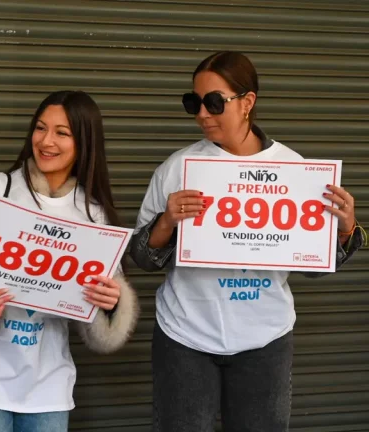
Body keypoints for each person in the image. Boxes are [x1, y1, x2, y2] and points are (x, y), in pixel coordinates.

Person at [129, 51, 365, 432]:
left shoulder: (295, 169)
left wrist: (346, 228)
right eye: (194, 103)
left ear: (248, 102)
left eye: (214, 102)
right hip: (185, 337)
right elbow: (141, 258)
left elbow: (316, 269)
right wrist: (167, 221)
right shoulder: (178, 169)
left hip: (265, 340)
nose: (202, 114)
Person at [0, 90, 140, 432]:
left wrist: (111, 304)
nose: (46, 141)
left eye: (61, 133)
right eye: (40, 128)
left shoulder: (92, 212)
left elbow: (100, 320)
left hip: (49, 387)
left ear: (84, 141)